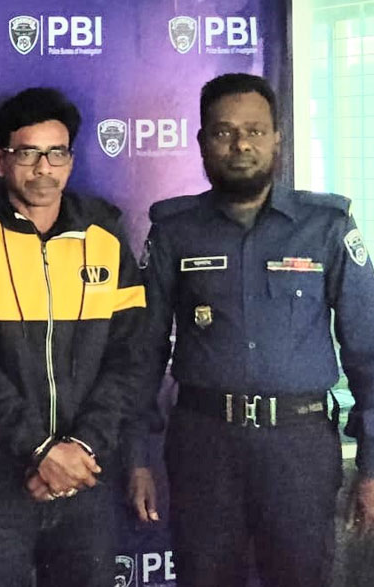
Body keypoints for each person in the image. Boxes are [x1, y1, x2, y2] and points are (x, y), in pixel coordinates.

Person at [128, 72, 374, 586]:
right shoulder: (174, 230)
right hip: (204, 443)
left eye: (255, 131)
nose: (240, 145)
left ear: (277, 138)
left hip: (298, 447)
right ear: (202, 142)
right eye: (224, 132)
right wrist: (137, 456)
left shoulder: (326, 226)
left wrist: (372, 464)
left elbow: (367, 350)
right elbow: (142, 352)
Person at [0, 88, 147, 586]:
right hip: (0, 476)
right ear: (0, 160)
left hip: (88, 470)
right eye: (28, 153)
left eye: (56, 153)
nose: (43, 169)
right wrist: (40, 450)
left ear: (70, 160)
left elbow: (131, 355)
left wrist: (80, 449)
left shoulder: (106, 235)